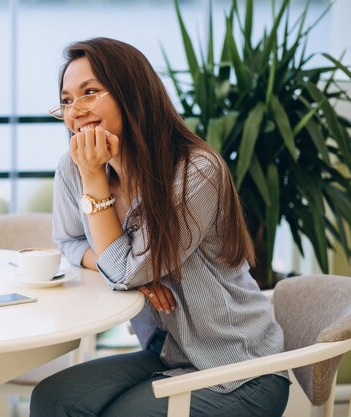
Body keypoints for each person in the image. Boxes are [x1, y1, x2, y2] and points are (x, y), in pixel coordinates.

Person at [30, 37, 290, 417]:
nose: (75, 111)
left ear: (131, 94)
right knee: (52, 398)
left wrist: (95, 183)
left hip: (241, 365)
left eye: (89, 93)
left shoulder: (195, 172)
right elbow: (68, 240)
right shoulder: (73, 169)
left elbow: (125, 272)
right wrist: (132, 272)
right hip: (168, 352)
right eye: (67, 100)